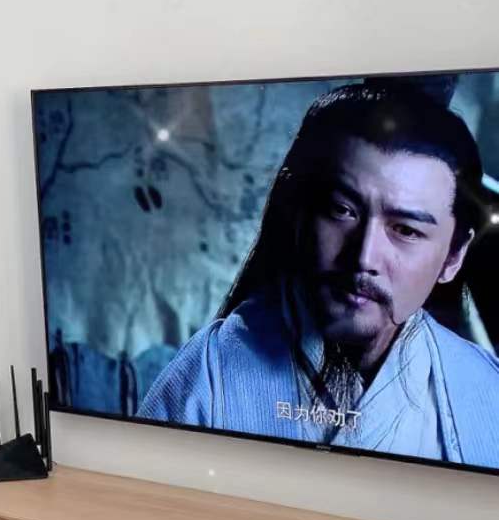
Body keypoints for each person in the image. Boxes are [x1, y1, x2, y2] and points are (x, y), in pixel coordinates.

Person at [138, 80, 499, 467]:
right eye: (342, 210)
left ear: (454, 255)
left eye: (406, 230)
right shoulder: (209, 375)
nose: (364, 257)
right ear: (300, 214)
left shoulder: (485, 387)